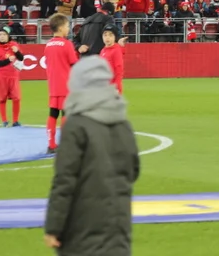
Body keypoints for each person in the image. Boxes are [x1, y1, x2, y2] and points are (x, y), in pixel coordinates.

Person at [43, 57, 139, 256]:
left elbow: (64, 180)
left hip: (82, 224)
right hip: (118, 221)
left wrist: (53, 227)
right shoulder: (123, 124)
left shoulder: (76, 125)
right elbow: (133, 170)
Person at [46, 15, 80, 155]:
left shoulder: (48, 45)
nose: (68, 29)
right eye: (67, 26)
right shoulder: (67, 44)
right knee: (66, 113)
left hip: (53, 85)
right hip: (66, 85)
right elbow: (73, 64)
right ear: (60, 28)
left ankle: (51, 144)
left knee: (53, 114)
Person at [0, 25, 24, 127]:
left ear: (8, 35)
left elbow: (21, 58)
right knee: (2, 99)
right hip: (1, 76)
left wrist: (17, 51)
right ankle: (4, 120)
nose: (2, 36)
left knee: (16, 98)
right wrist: (8, 60)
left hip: (14, 76)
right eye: (0, 34)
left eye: (4, 34)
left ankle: (15, 121)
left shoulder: (14, 44)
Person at [100, 25, 126, 95]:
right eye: (105, 35)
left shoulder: (116, 50)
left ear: (115, 37)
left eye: (110, 35)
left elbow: (119, 69)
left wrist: (116, 87)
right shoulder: (103, 51)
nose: (107, 37)